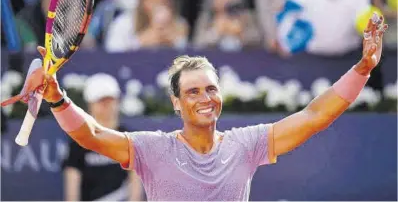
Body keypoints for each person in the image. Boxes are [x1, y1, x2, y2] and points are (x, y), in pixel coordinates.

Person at [36, 13, 387, 201]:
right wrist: (56, 97)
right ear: (175, 102)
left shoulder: (246, 144)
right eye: (192, 92)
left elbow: (314, 117)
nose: (205, 98)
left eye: (210, 89)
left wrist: (362, 69)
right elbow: (92, 134)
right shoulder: (152, 149)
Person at [62, 73, 144, 201]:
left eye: (110, 100)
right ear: (90, 104)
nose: (106, 106)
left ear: (118, 101)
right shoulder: (79, 142)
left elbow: (136, 182)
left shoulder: (130, 139)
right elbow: (72, 185)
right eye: (101, 101)